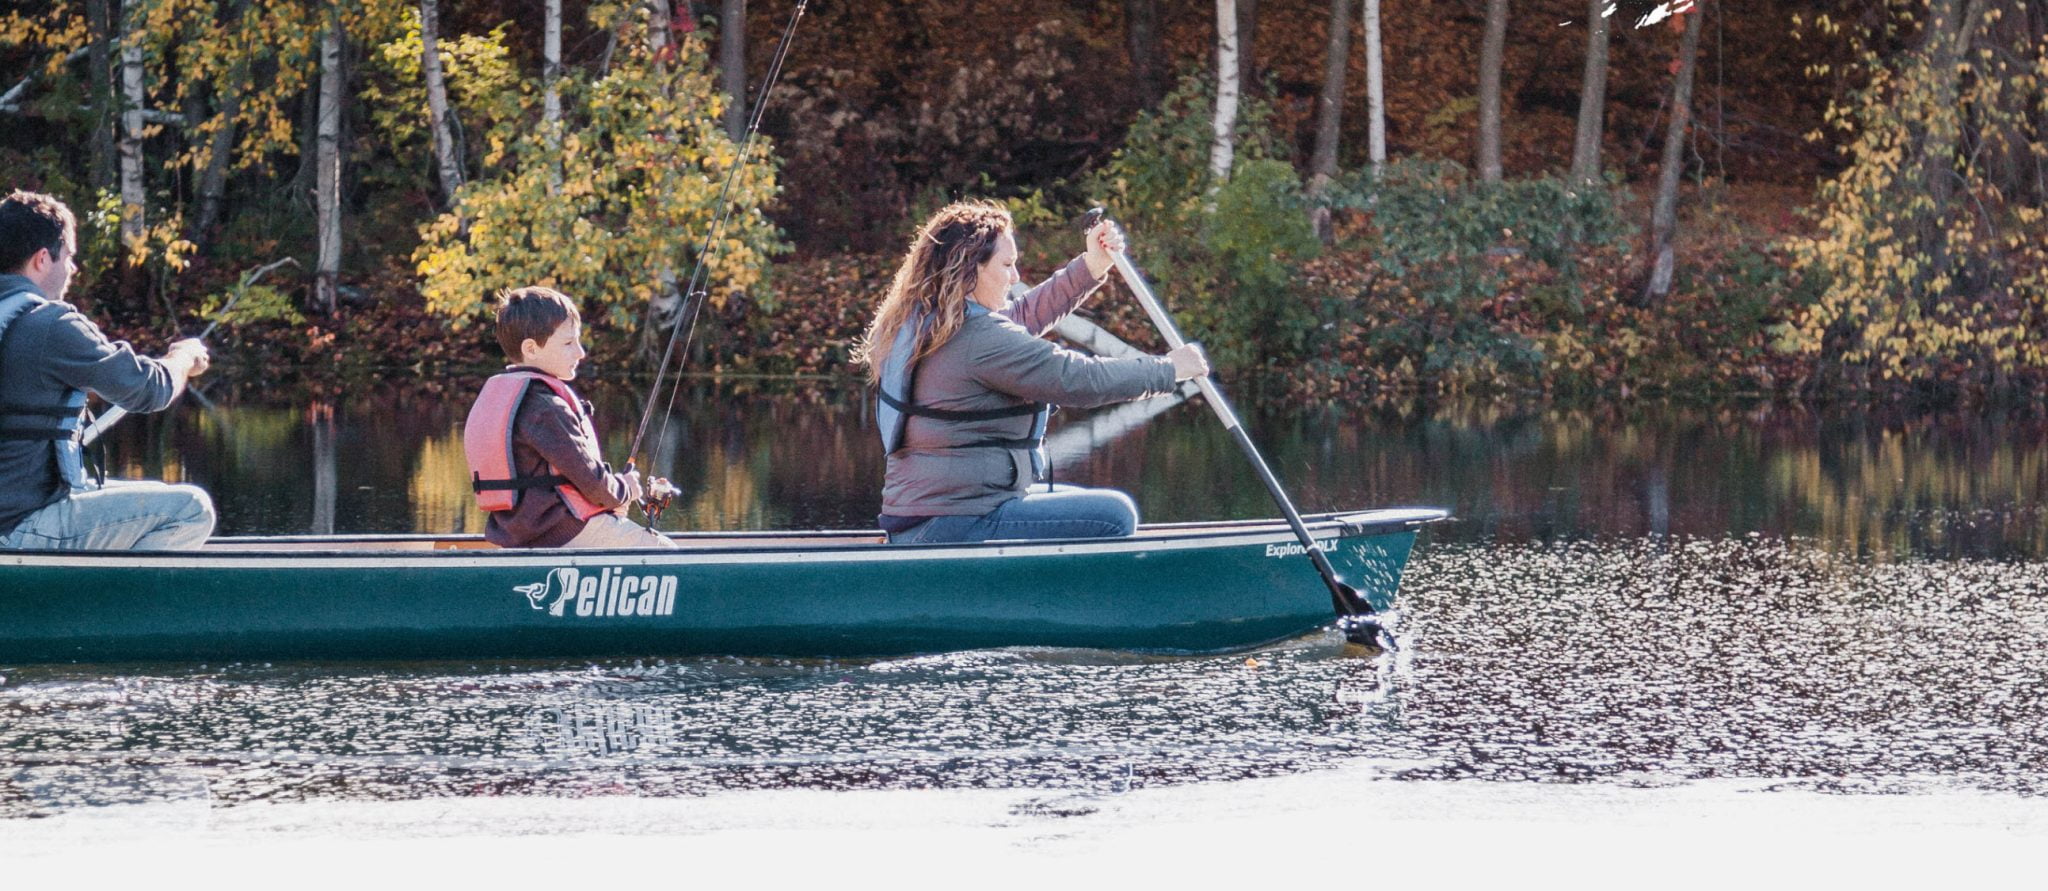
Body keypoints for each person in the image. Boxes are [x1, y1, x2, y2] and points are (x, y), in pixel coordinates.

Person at [858, 200, 1209, 544]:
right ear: (970, 269)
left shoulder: (925, 324)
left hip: (935, 516)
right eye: (1007, 265)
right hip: (956, 522)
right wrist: (1169, 369)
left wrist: (1092, 265)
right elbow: (1077, 379)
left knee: (1077, 500)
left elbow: (1021, 318)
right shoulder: (978, 339)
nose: (1016, 277)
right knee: (1114, 515)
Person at [0, 190, 217, 551]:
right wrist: (183, 358)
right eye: (68, 257)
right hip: (18, 529)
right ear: (42, 259)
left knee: (154, 493)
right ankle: (111, 607)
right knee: (190, 509)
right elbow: (150, 390)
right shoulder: (51, 324)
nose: (73, 269)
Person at [462, 286, 677, 549]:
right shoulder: (545, 407)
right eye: (568, 343)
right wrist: (625, 489)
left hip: (517, 535)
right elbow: (591, 480)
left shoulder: (514, 397)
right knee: (667, 553)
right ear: (531, 349)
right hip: (563, 531)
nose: (580, 352)